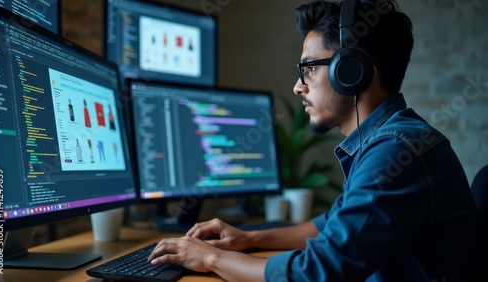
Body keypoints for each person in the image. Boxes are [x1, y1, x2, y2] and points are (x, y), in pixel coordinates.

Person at [147, 1, 480, 281]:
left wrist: (209, 259)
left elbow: (318, 272)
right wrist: (247, 238)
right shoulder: (386, 140)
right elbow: (328, 226)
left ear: (353, 71)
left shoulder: (396, 148)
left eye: (308, 69)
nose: (297, 86)